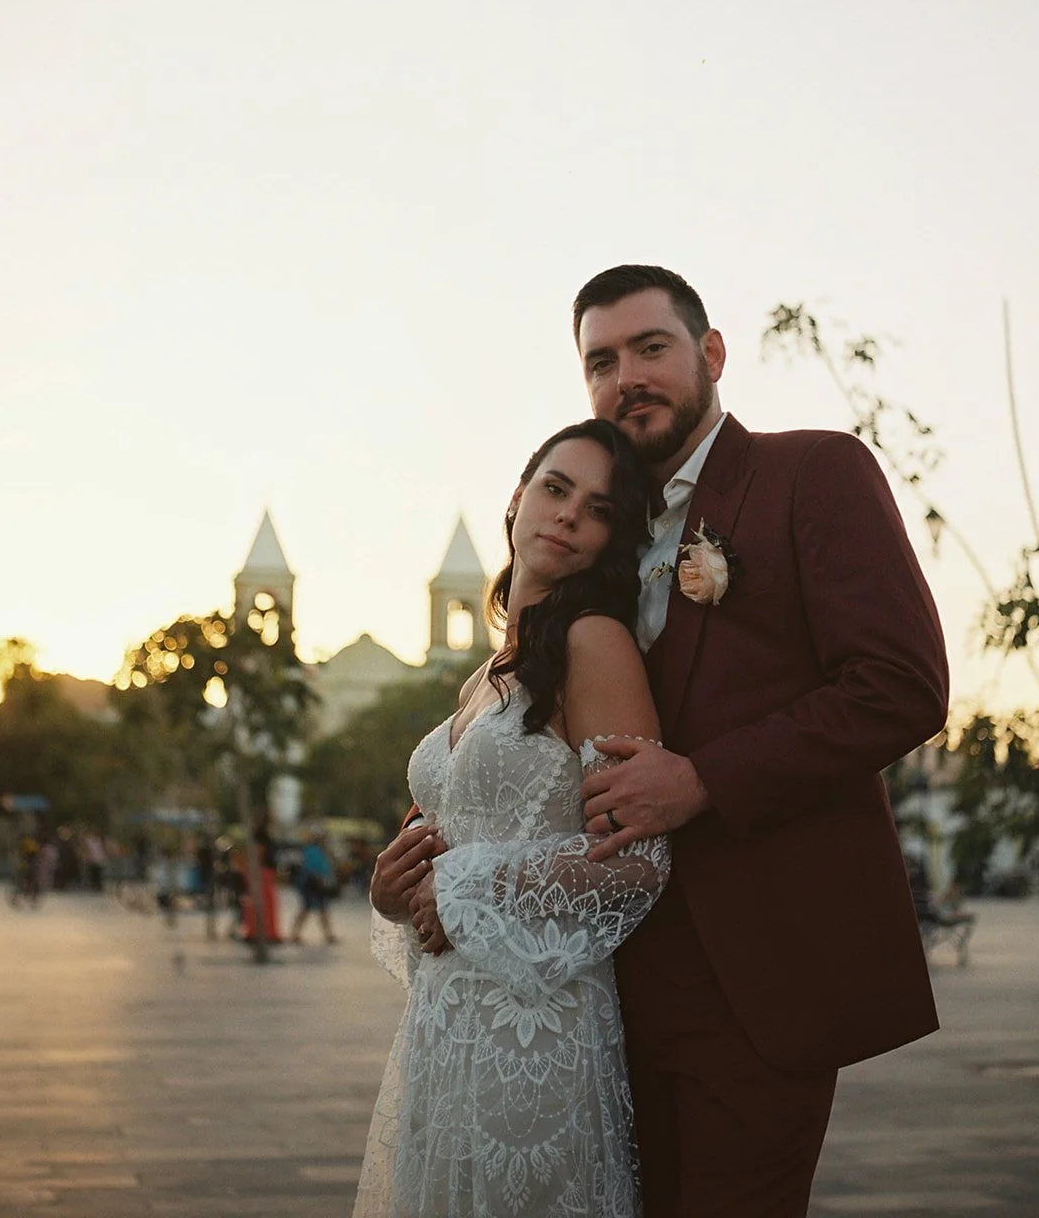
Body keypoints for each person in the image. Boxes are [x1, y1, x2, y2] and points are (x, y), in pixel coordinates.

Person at [572, 265, 950, 1218]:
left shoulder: (812, 473)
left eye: (650, 348)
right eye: (601, 362)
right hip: (608, 982)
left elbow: (900, 686)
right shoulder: (596, 537)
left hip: (759, 972)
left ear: (711, 354)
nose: (628, 380)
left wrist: (703, 780)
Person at [355, 419, 669, 1218]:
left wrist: (465, 881)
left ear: (613, 537)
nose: (567, 515)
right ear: (518, 500)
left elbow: (638, 860)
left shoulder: (595, 645)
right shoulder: (487, 676)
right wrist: (398, 886)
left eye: (597, 508)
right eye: (555, 489)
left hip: (534, 1029)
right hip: (444, 1022)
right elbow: (453, 839)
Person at [289, 827, 340, 944]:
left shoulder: (315, 850)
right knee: (310, 909)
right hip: (312, 885)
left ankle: (327, 935)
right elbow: (315, 868)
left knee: (317, 909)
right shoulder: (313, 850)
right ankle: (296, 934)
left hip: (314, 885)